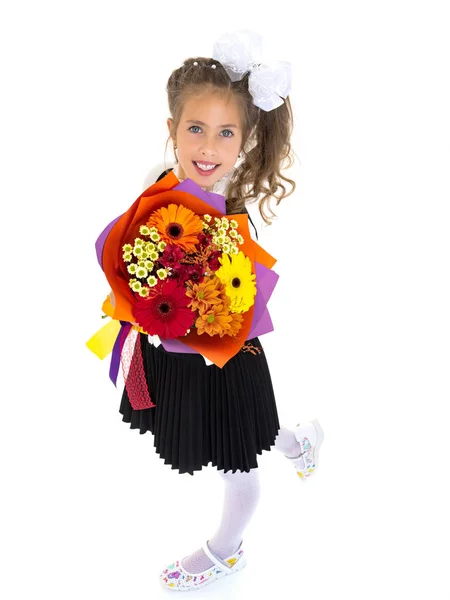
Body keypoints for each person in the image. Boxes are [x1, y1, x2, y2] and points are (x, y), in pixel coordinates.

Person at [112, 30, 325, 592]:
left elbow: (232, 304)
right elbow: (137, 261)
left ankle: (226, 552)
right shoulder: (159, 192)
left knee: (238, 455)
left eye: (225, 132)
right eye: (196, 129)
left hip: (230, 358)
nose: (208, 147)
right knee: (249, 429)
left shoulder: (229, 219)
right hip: (181, 355)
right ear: (172, 130)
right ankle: (301, 442)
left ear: (244, 140)